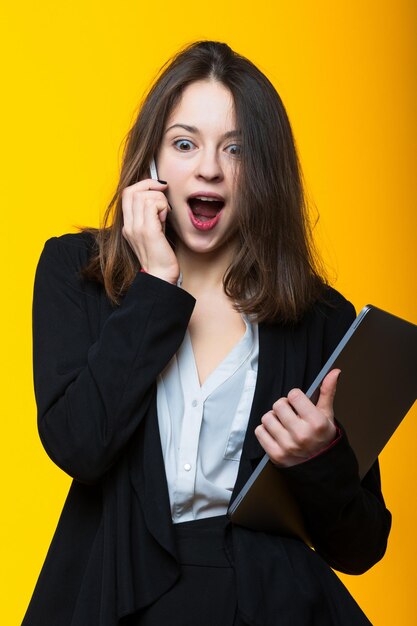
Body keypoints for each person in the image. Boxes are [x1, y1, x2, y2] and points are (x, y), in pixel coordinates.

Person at [23, 41, 391, 626]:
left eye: (237, 148)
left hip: (271, 603)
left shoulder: (319, 317)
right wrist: (155, 287)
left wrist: (319, 456)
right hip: (118, 599)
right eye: (185, 143)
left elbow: (362, 546)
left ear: (264, 171)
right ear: (152, 162)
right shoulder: (77, 273)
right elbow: (79, 446)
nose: (210, 168)